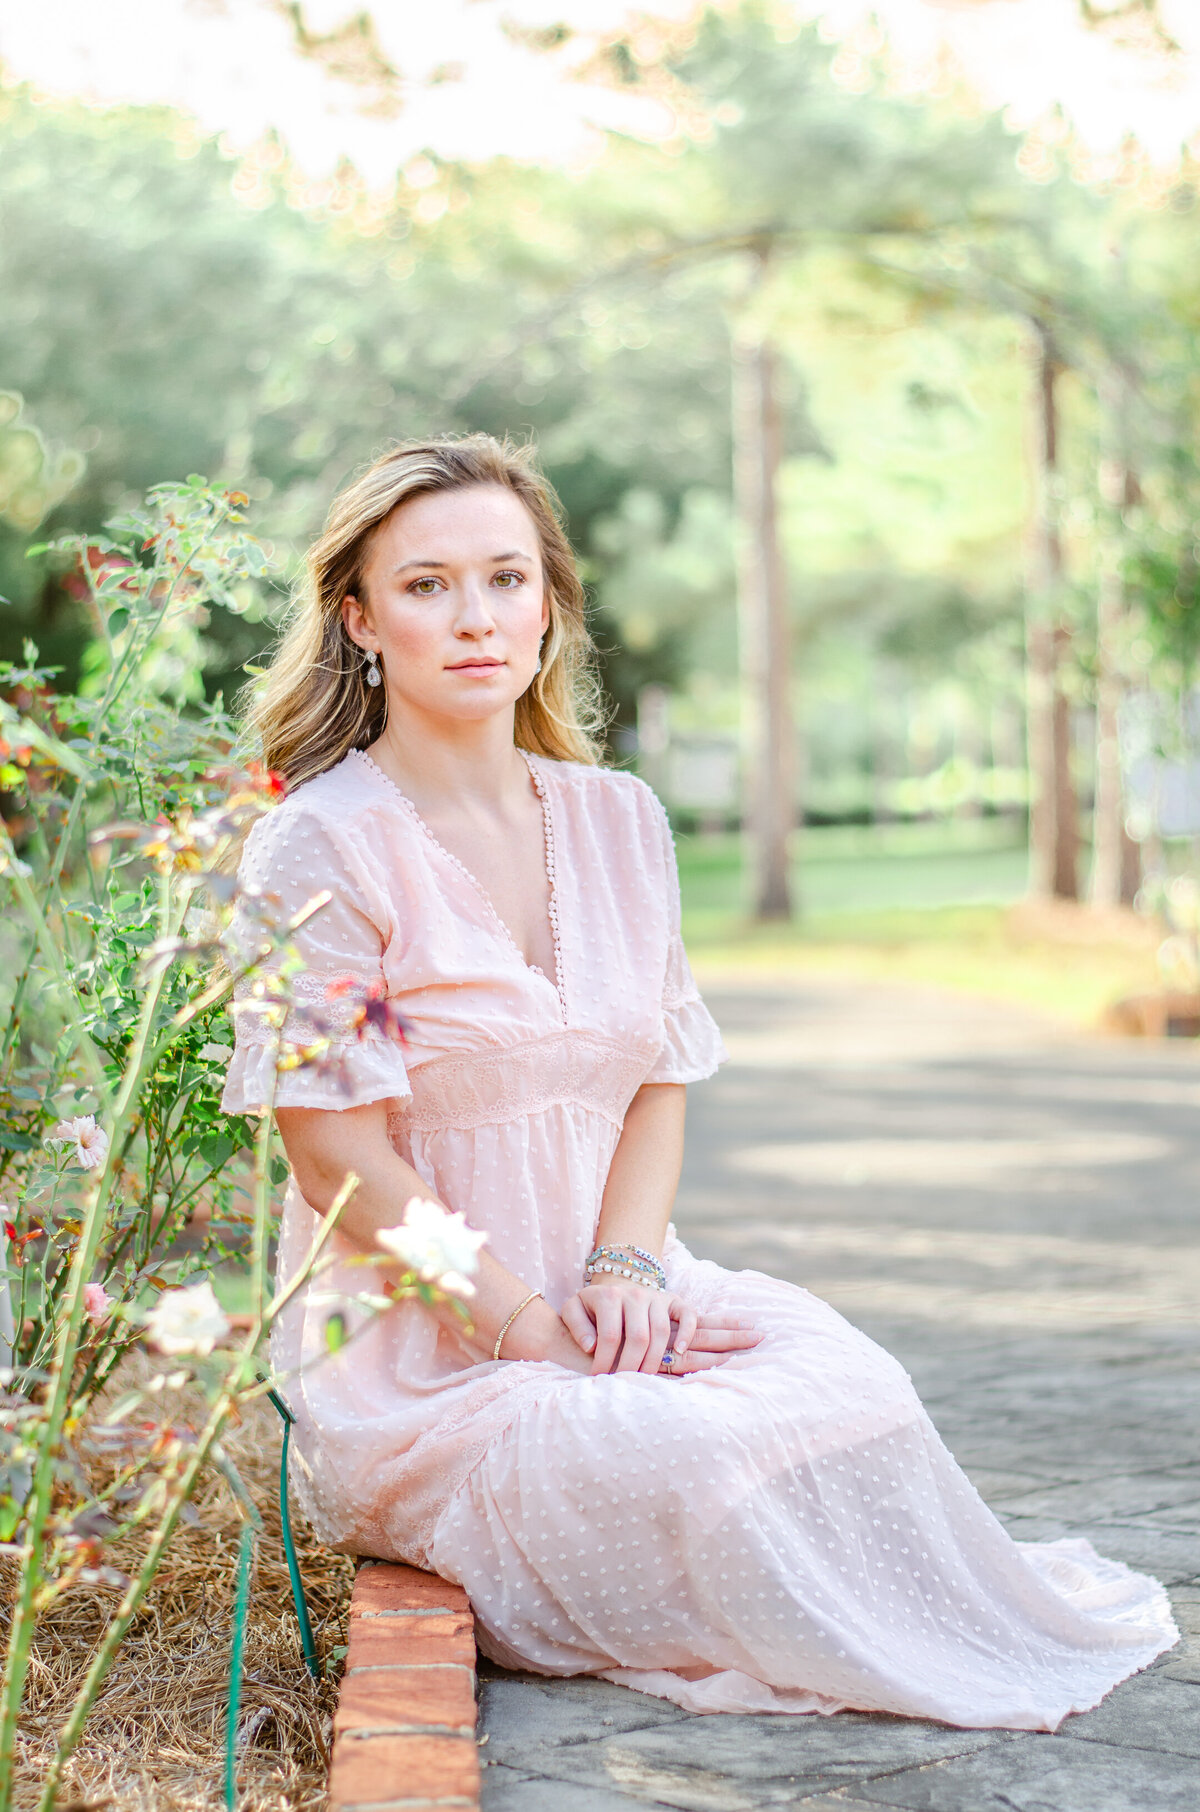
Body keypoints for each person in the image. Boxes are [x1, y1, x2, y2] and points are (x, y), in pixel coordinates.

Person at [222, 434, 1176, 1728]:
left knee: (854, 1386)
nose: (476, 619)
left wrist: (625, 1275)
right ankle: (778, 1614)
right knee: (696, 1450)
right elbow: (345, 1162)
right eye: (427, 585)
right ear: (360, 618)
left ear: (551, 604)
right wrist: (524, 1327)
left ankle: (875, 1615)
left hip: (621, 1291)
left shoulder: (621, 821)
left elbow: (660, 1077)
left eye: (506, 579)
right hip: (426, 1357)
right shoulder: (317, 845)